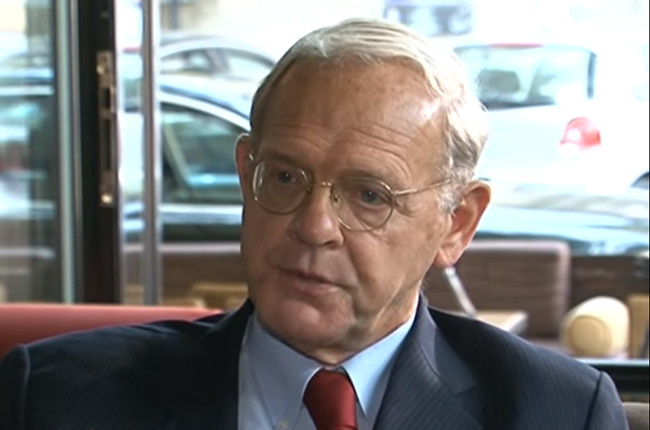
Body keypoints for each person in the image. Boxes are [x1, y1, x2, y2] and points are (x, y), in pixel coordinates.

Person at [0, 18, 628, 430]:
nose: (314, 225)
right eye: (284, 177)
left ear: (456, 224)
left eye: (369, 196)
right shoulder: (52, 399)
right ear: (246, 173)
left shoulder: (558, 412)